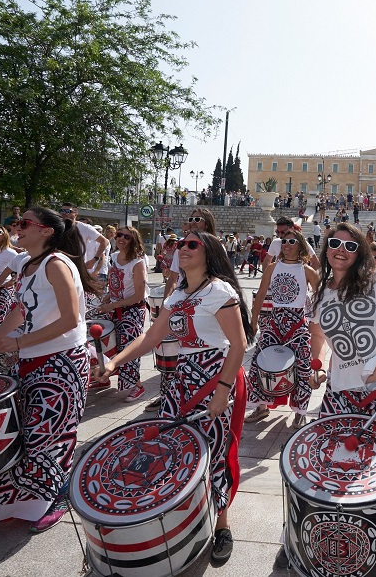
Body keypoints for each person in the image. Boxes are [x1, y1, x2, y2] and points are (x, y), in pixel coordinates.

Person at [95, 231, 253, 562]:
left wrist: (222, 392)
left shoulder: (219, 291)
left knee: (216, 452)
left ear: (208, 252)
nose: (182, 248)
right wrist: (115, 361)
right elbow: (152, 336)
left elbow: (237, 345)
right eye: (180, 243)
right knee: (175, 450)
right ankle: (184, 517)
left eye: (191, 244)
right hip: (183, 378)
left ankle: (222, 526)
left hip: (215, 375)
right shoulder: (177, 295)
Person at [0, 206, 99, 532]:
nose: (17, 227)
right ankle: (24, 499)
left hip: (62, 362)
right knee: (24, 434)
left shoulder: (57, 264)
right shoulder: (25, 264)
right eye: (16, 222)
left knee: (49, 437)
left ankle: (57, 495)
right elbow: (20, 309)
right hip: (32, 362)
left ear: (47, 231)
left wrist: (17, 344)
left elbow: (70, 320)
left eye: (24, 223)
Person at [308, 223, 376, 429]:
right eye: (335, 243)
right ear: (327, 249)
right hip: (340, 390)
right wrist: (318, 366)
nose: (341, 250)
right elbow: (318, 335)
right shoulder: (322, 290)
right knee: (335, 457)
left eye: (350, 246)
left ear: (360, 253)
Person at [246, 228, 319, 426]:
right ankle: (261, 408)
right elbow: (261, 294)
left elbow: (320, 298)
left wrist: (317, 322)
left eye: (291, 242)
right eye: (284, 241)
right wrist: (253, 321)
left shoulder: (307, 271)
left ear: (301, 246)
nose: (286, 245)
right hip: (275, 320)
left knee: (303, 366)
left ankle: (300, 412)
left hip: (297, 323)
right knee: (257, 363)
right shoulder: (272, 267)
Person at [95, 226, 148, 401]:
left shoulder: (137, 262)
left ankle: (137, 386)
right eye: (119, 235)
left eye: (127, 236)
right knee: (110, 345)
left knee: (129, 349)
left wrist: (113, 304)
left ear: (133, 240)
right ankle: (105, 375)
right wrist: (108, 298)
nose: (121, 238)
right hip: (116, 307)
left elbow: (139, 294)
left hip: (133, 310)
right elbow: (115, 284)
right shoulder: (113, 257)